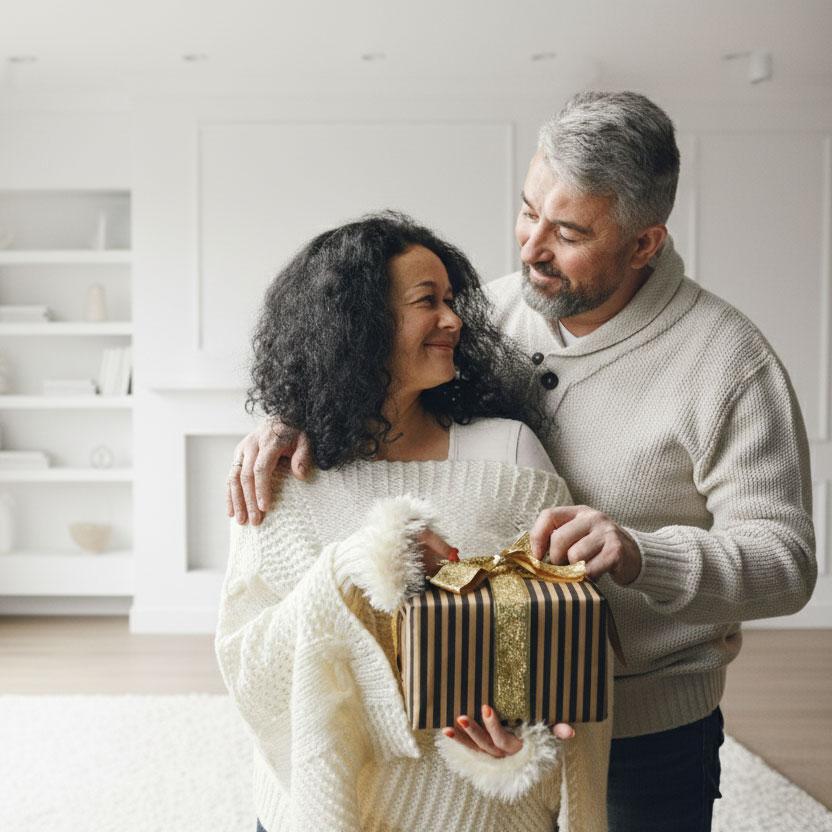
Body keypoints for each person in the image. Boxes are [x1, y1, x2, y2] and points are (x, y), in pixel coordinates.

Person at [227, 91, 818, 832]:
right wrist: (295, 418)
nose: (531, 246)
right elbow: (368, 359)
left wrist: (641, 554)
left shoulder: (729, 362)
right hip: (496, 704)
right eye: (528, 209)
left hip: (643, 727)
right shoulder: (488, 313)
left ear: (644, 243)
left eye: (568, 232)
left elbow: (787, 562)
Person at [215, 212, 613, 832]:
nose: (453, 320)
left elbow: (552, 631)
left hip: (475, 809)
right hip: (327, 800)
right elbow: (252, 665)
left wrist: (521, 736)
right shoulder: (282, 473)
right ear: (357, 327)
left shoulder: (507, 452)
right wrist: (354, 566)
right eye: (428, 301)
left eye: (452, 300)